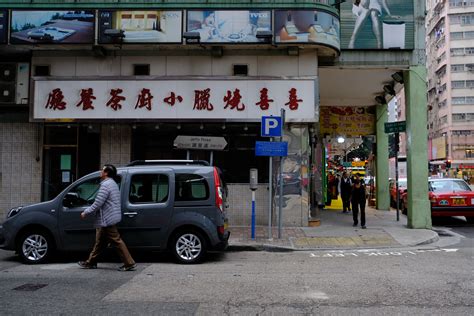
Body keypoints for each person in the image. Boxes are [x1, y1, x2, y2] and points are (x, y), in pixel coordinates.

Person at [78, 164, 136, 271]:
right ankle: (91, 262)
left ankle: (129, 263)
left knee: (116, 240)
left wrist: (85, 212)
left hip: (107, 218)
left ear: (106, 173)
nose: (101, 171)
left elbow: (98, 203)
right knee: (100, 242)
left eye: (103, 170)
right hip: (108, 217)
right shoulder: (112, 183)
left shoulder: (106, 185)